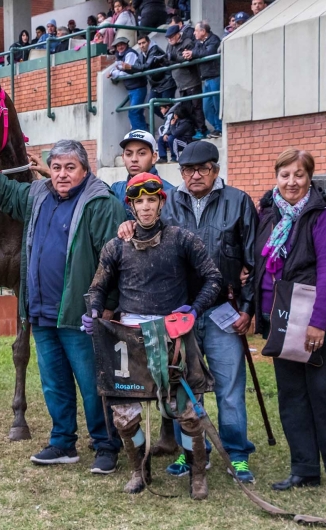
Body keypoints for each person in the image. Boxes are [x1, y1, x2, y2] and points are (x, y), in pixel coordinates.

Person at [0, 140, 126, 474]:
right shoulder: (37, 195)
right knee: (54, 383)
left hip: (81, 316)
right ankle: (63, 442)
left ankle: (106, 444)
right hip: (40, 313)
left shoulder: (101, 203)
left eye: (70, 168)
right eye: (56, 167)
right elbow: (8, 193)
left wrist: (107, 307)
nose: (62, 174)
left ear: (84, 169)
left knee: (93, 384)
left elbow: (114, 262)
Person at [118, 141, 258, 483]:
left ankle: (237, 454)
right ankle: (194, 452)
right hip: (178, 315)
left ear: (216, 169)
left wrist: (251, 307)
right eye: (188, 170)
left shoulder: (238, 201)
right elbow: (147, 233)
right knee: (183, 387)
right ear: (180, 173)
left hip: (223, 309)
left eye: (204, 169)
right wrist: (126, 228)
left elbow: (254, 260)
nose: (196, 175)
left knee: (228, 387)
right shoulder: (168, 202)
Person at [85, 173, 222, 498]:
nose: (145, 207)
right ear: (130, 205)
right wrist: (93, 312)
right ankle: (139, 470)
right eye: (139, 201)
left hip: (173, 338)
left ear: (161, 202)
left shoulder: (182, 239)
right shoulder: (116, 246)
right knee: (124, 417)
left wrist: (194, 310)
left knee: (188, 414)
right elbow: (98, 287)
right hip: (129, 340)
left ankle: (197, 473)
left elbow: (213, 278)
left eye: (152, 200)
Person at [254, 149, 326, 495]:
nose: (291, 182)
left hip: (319, 322)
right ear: (276, 176)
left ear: (309, 177)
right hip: (281, 320)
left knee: (323, 394)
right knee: (291, 396)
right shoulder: (268, 211)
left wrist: (318, 322)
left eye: (299, 174)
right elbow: (260, 259)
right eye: (285, 175)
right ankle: (304, 468)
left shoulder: (321, 214)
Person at [111, 130, 176, 218]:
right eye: (129, 154)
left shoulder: (171, 194)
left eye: (141, 153)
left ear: (154, 157)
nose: (134, 159)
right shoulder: (116, 190)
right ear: (123, 158)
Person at [164, 25, 206, 137]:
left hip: (192, 81)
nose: (170, 39)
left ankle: (202, 130)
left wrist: (174, 57)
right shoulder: (170, 46)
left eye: (172, 37)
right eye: (168, 37)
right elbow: (171, 60)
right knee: (187, 109)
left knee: (197, 108)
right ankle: (194, 130)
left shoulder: (187, 42)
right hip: (181, 84)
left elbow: (186, 58)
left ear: (178, 34)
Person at [184, 21, 222, 139]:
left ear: (203, 31)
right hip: (205, 78)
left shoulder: (214, 39)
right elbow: (197, 53)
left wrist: (193, 53)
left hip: (215, 77)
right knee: (206, 108)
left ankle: (220, 129)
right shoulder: (197, 42)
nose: (194, 33)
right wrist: (188, 55)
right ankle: (217, 127)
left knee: (217, 105)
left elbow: (208, 52)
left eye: (196, 30)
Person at [128, 34, 176, 119]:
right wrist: (127, 68)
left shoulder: (155, 49)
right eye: (139, 44)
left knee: (167, 108)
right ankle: (170, 123)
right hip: (155, 85)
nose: (141, 46)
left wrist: (130, 67)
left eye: (143, 43)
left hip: (167, 82)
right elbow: (137, 67)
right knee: (151, 105)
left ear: (149, 42)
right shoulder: (141, 54)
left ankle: (175, 124)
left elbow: (146, 66)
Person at [107, 37, 148, 132]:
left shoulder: (130, 54)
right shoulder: (120, 55)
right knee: (137, 112)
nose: (120, 47)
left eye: (122, 44)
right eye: (118, 45)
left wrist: (113, 74)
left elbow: (128, 71)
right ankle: (143, 133)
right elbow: (118, 68)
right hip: (132, 88)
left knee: (133, 112)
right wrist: (114, 71)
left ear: (126, 44)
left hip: (138, 87)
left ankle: (139, 135)